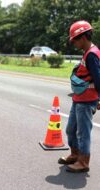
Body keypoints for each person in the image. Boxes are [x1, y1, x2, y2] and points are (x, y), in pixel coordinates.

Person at [58, 20, 100, 173]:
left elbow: (98, 79)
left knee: (83, 133)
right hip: (79, 99)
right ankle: (75, 154)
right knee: (71, 130)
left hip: (87, 100)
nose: (74, 43)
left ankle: (83, 161)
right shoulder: (87, 53)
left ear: (82, 37)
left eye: (74, 40)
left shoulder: (92, 55)